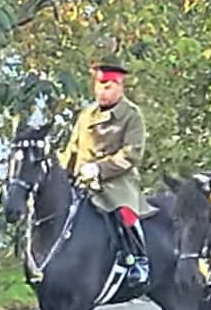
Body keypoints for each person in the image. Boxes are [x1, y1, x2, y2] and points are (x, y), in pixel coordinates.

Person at [62, 59, 152, 285]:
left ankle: (139, 260)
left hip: (117, 181)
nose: (102, 91)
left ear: (120, 87)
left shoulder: (132, 115)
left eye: (108, 86)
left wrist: (99, 169)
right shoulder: (86, 115)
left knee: (124, 212)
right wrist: (61, 171)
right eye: (99, 86)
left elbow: (131, 155)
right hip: (82, 180)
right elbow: (72, 150)